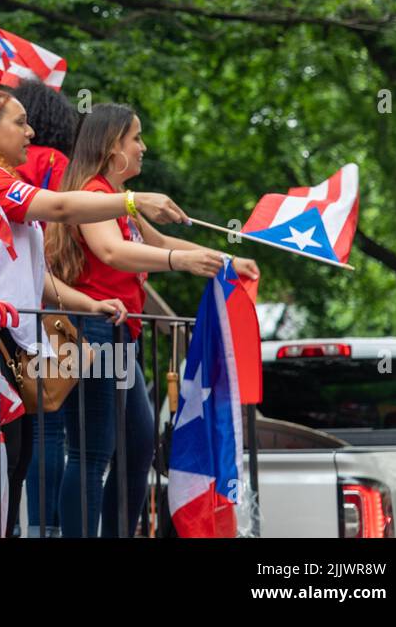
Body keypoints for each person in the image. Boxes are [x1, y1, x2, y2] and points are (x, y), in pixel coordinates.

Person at [0, 84, 189, 536]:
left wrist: (87, 302)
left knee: (14, 467)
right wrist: (134, 200)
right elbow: (58, 206)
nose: (31, 131)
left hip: (13, 341)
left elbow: (38, 278)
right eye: (20, 122)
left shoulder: (0, 182)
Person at [45, 102, 258, 537]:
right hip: (93, 332)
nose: (143, 147)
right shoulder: (95, 192)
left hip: (119, 335)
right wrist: (181, 261)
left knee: (137, 447)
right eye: (135, 138)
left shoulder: (120, 200)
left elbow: (157, 241)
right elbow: (112, 252)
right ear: (111, 146)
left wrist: (225, 261)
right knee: (91, 452)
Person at [11, 80, 78, 536]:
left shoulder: (0, 167)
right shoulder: (57, 164)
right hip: (52, 306)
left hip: (11, 311)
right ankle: (48, 528)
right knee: (54, 423)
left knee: (23, 427)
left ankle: (26, 526)